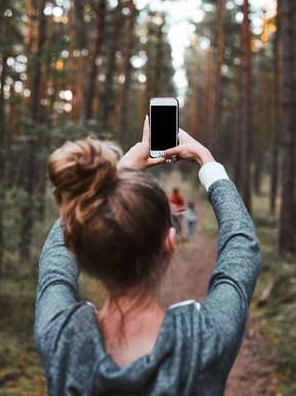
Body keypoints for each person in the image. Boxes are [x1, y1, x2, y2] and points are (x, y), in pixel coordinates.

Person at [34, 117, 261, 396]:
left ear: (87, 248)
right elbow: (241, 246)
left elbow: (56, 259)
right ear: (169, 242)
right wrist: (206, 160)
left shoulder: (60, 336)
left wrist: (115, 177)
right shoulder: (205, 337)